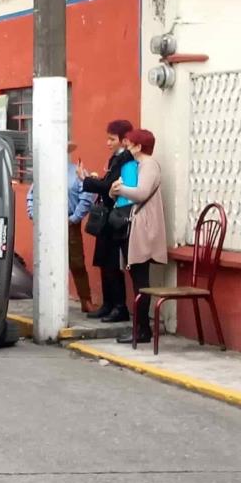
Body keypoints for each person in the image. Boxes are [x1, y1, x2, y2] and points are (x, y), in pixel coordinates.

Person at [109, 129, 167, 344]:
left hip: (144, 226)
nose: (128, 147)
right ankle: (141, 328)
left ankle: (142, 330)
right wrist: (116, 190)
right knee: (137, 279)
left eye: (131, 144)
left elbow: (141, 193)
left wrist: (121, 189)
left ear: (139, 146)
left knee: (141, 280)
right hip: (138, 224)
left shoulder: (149, 165)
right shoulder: (139, 166)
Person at [27, 142, 97, 313]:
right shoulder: (43, 173)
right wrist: (33, 214)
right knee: (46, 262)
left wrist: (74, 218)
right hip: (47, 223)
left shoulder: (76, 172)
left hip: (69, 222)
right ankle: (47, 302)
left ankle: (85, 300)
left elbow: (87, 196)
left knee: (77, 262)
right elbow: (32, 195)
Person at [77, 120, 134, 323]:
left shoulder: (126, 161)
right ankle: (108, 304)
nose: (108, 142)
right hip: (108, 216)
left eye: (112, 139)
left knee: (112, 263)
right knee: (103, 260)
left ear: (124, 140)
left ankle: (120, 306)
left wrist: (87, 181)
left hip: (117, 216)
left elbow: (110, 186)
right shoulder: (114, 160)